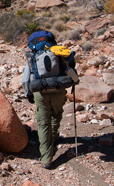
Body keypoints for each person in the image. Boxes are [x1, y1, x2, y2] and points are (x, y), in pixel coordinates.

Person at [21, 31, 76, 169]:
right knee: (56, 115)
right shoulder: (58, 52)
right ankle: (53, 138)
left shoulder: (33, 55)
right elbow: (71, 71)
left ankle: (46, 158)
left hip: (40, 91)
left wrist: (28, 93)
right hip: (58, 89)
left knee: (43, 123)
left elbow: (25, 79)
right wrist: (74, 82)